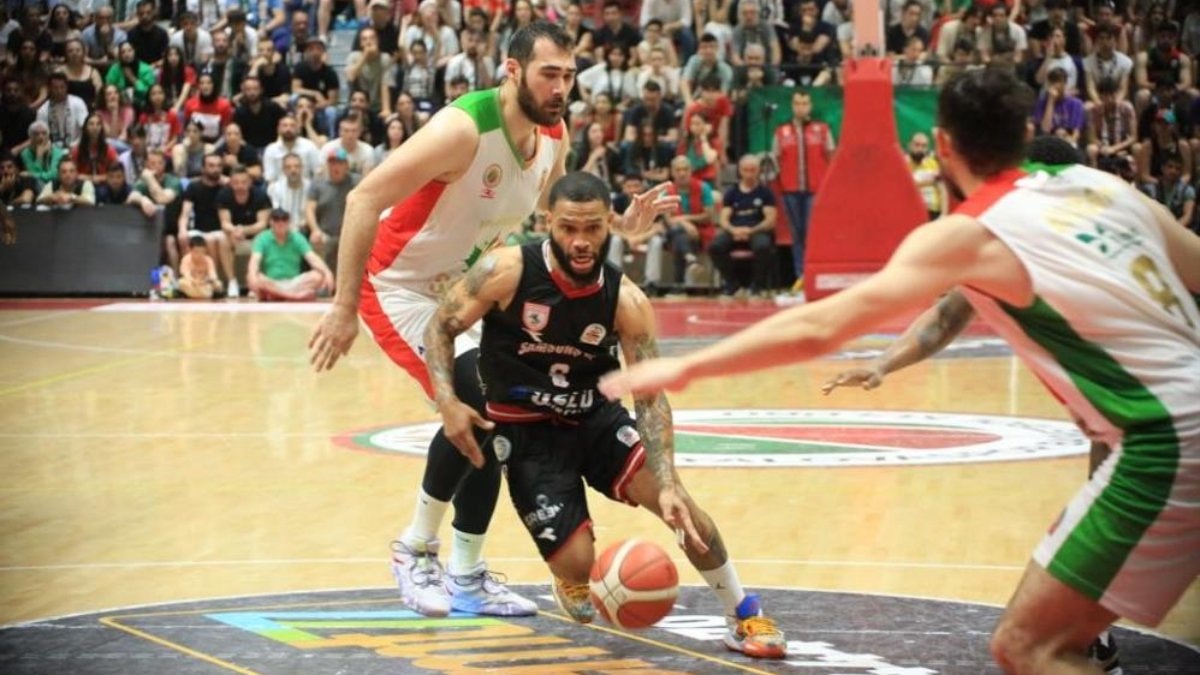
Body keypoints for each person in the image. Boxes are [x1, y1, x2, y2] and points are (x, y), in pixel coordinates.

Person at [601, 68, 1200, 675]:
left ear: (942, 145)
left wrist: (689, 366)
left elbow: (821, 326)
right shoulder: (1105, 189)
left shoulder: (975, 231)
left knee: (1028, 646)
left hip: (1170, 439)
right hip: (1176, 419)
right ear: (1025, 132)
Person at [308, 22, 674, 619]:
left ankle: (467, 574)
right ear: (512, 71)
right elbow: (363, 199)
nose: (561, 88)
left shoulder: (552, 135)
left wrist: (621, 227)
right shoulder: (462, 129)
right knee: (477, 399)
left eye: (568, 76)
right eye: (549, 74)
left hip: (468, 289)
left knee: (497, 419)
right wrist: (343, 306)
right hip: (399, 287)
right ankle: (414, 548)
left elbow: (554, 213)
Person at [424, 171, 787, 658]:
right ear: (548, 222)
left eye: (592, 228)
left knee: (680, 507)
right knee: (578, 565)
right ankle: (570, 572)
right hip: (528, 435)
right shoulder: (504, 271)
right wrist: (448, 400)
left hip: (596, 420)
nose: (580, 241)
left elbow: (651, 396)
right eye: (569, 228)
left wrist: (668, 480)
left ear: (609, 225)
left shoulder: (627, 300)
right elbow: (440, 328)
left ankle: (742, 613)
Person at [773, 90, 834, 292]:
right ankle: (801, 276)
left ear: (810, 106)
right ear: (792, 106)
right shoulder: (781, 132)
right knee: (796, 234)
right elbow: (776, 160)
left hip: (815, 190)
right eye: (797, 103)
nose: (801, 107)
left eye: (805, 103)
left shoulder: (822, 130)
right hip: (790, 190)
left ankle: (815, 273)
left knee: (813, 233)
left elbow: (831, 157)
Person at [710, 154, 776, 296]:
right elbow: (723, 219)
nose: (749, 174)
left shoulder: (765, 193)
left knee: (763, 246)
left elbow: (770, 220)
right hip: (735, 230)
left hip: (757, 229)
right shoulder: (731, 193)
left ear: (758, 171)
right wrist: (734, 230)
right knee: (715, 246)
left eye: (752, 170)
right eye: (746, 170)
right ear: (740, 171)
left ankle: (757, 286)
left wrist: (750, 231)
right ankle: (732, 284)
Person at [249, 209, 335, 301]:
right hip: (272, 281)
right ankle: (294, 296)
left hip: (294, 283)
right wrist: (253, 278)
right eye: (276, 219)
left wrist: (327, 272)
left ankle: (278, 294)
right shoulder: (262, 238)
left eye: (284, 219)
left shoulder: (297, 238)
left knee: (318, 276)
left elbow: (312, 258)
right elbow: (254, 261)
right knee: (257, 277)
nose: (280, 223)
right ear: (271, 222)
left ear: (288, 222)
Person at [306, 148, 359, 271]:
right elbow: (309, 209)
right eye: (332, 163)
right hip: (325, 234)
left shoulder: (357, 182)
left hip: (350, 234)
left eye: (340, 163)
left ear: (346, 165)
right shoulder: (317, 183)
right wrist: (315, 230)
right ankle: (322, 279)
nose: (336, 167)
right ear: (327, 165)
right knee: (316, 241)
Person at [178, 233, 224, 299]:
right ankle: (200, 294)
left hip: (204, 284)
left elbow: (213, 276)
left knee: (218, 284)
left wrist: (206, 281)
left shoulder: (208, 260)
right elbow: (186, 274)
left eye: (202, 252)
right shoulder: (186, 259)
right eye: (196, 252)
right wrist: (194, 281)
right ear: (190, 250)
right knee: (181, 282)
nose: (200, 255)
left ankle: (196, 294)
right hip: (192, 283)